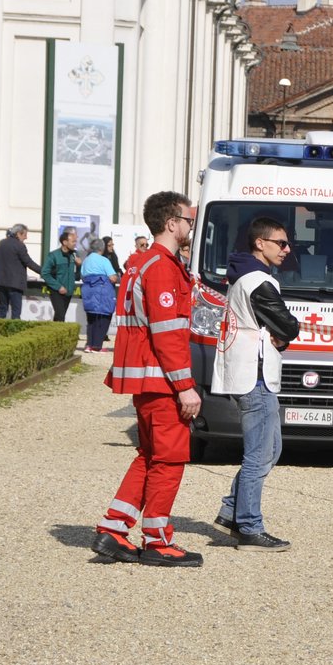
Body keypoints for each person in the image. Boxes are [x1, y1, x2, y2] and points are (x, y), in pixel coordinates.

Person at [91, 192, 204, 568]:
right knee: (169, 460)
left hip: (145, 380)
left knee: (150, 456)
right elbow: (168, 334)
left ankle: (114, 528)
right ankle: (156, 541)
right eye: (188, 219)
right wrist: (185, 386)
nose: (191, 225)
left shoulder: (143, 263)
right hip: (162, 381)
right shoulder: (161, 266)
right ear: (172, 223)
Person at [211, 215, 300, 550]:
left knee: (270, 449)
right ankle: (249, 527)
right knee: (259, 454)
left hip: (249, 370)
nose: (287, 249)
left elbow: (277, 326)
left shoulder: (243, 276)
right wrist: (290, 329)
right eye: (281, 243)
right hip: (255, 373)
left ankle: (232, 511)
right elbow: (287, 325)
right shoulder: (258, 280)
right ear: (259, 243)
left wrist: (283, 331)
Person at [0, 224, 45, 320]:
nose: (26, 237)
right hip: (15, 284)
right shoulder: (20, 246)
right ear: (18, 234)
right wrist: (44, 271)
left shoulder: (1, 243)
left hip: (1, 282)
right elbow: (28, 262)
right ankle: (14, 333)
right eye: (25, 235)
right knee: (16, 313)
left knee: (2, 309)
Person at [78, 236, 119, 352]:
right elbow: (112, 278)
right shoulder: (104, 260)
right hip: (102, 293)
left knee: (91, 318)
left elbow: (82, 276)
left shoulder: (86, 260)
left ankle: (89, 345)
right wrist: (117, 276)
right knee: (104, 317)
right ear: (102, 248)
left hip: (88, 292)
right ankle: (97, 346)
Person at [41, 227, 81, 322]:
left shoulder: (74, 254)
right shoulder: (54, 255)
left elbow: (77, 276)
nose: (75, 244)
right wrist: (58, 287)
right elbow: (45, 273)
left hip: (68, 291)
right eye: (73, 242)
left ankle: (54, 334)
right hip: (56, 290)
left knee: (59, 317)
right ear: (65, 242)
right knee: (60, 315)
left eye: (75, 242)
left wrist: (79, 266)